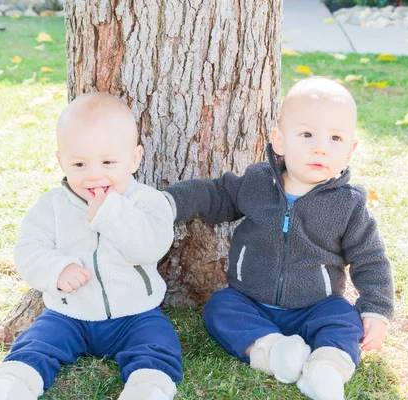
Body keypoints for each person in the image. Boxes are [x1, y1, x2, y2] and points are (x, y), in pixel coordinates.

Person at [163, 77, 394, 400]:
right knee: (219, 307)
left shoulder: (349, 204)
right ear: (280, 141)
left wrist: (376, 310)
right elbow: (216, 194)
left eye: (335, 138)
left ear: (350, 150)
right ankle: (272, 352)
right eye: (307, 134)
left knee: (345, 320)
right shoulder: (258, 183)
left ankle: (327, 369)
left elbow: (371, 260)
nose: (320, 147)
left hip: (317, 306)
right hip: (251, 301)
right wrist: (169, 202)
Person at [0, 92, 182, 400]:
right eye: (79, 163)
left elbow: (151, 247)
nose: (94, 175)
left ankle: (147, 389)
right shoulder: (52, 205)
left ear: (134, 159)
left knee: (158, 345)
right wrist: (57, 270)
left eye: (108, 162)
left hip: (135, 313)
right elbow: (29, 248)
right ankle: (11, 385)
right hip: (68, 314)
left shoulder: (148, 202)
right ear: (61, 161)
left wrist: (110, 214)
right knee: (36, 343)